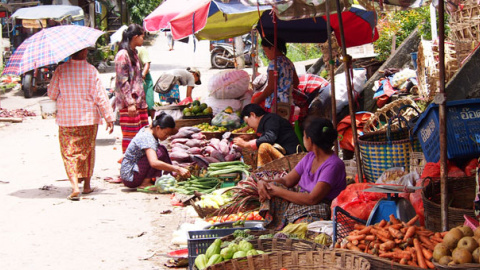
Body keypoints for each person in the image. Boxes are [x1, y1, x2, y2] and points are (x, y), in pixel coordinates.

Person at [48, 48, 115, 201]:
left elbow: (51, 94)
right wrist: (109, 117)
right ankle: (86, 186)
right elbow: (101, 97)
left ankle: (74, 187)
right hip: (89, 119)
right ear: (84, 52)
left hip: (67, 119)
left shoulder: (60, 70)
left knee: (69, 153)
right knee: (87, 151)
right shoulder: (91, 70)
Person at [257, 117, 346, 229]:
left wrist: (277, 191)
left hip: (319, 206)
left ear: (310, 140)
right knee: (270, 188)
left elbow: (312, 199)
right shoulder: (309, 157)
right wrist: (265, 182)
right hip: (301, 201)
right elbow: (287, 180)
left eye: (304, 136)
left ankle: (287, 226)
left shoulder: (333, 165)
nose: (303, 139)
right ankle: (275, 227)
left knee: (304, 225)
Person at [120, 113, 190, 189]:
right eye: (166, 133)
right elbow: (154, 163)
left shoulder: (149, 128)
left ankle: (165, 177)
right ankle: (145, 183)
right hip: (131, 177)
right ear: (158, 128)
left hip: (128, 173)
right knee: (160, 152)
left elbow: (175, 131)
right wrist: (178, 169)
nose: (167, 137)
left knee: (161, 149)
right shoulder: (148, 138)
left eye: (169, 135)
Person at [114, 24, 149, 153]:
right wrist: (130, 102)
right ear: (135, 37)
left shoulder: (134, 53)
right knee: (132, 138)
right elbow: (122, 80)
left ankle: (140, 167)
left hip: (139, 102)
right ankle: (129, 167)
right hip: (130, 104)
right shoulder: (123, 55)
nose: (143, 40)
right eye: (142, 37)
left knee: (143, 136)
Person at [233, 104, 301, 168]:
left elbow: (269, 138)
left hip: (290, 157)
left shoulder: (271, 119)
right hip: (283, 154)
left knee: (264, 147)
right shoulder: (268, 120)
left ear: (252, 115)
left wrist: (247, 144)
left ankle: (260, 174)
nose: (249, 126)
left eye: (248, 123)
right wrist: (250, 138)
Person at [252, 35, 299, 122]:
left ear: (272, 48)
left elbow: (271, 87)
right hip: (288, 103)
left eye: (265, 50)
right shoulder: (289, 62)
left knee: (274, 130)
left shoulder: (273, 64)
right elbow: (296, 82)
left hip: (276, 105)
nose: (265, 54)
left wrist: (257, 100)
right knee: (284, 129)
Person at [136, 45, 155, 119]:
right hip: (137, 77)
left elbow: (147, 64)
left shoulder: (140, 49)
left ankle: (153, 122)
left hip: (143, 77)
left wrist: (143, 74)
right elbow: (147, 64)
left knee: (149, 101)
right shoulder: (126, 49)